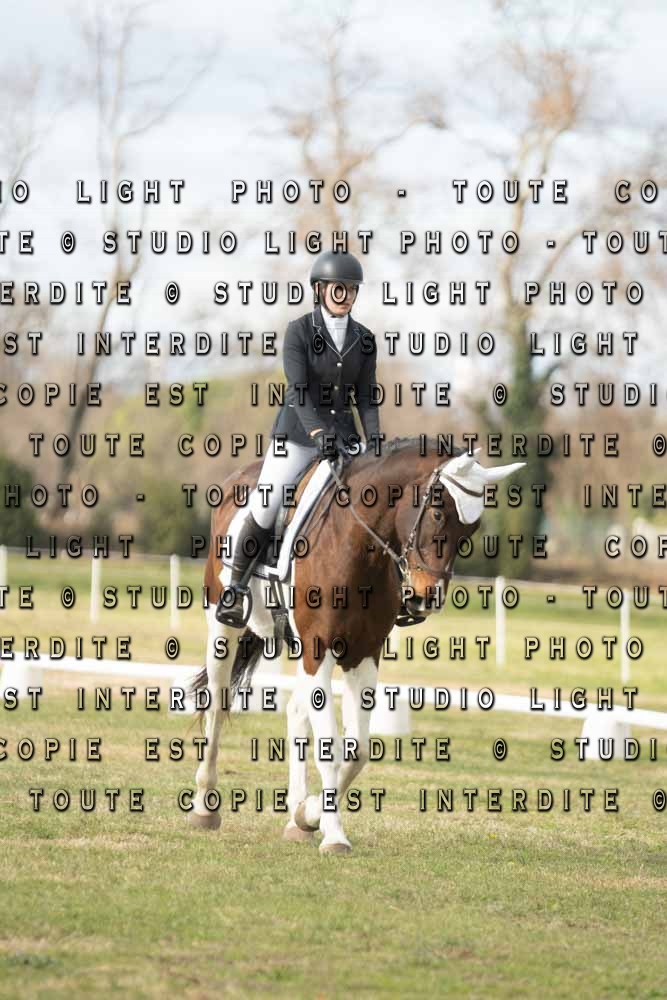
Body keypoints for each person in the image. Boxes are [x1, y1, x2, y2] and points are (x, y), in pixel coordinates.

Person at [215, 249, 380, 627]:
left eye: (352, 290)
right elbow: (298, 390)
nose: (346, 296)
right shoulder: (300, 331)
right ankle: (235, 588)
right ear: (320, 290)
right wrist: (318, 432)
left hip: (345, 439)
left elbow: (367, 397)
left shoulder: (364, 339)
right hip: (297, 436)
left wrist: (375, 443)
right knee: (268, 501)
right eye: (339, 289)